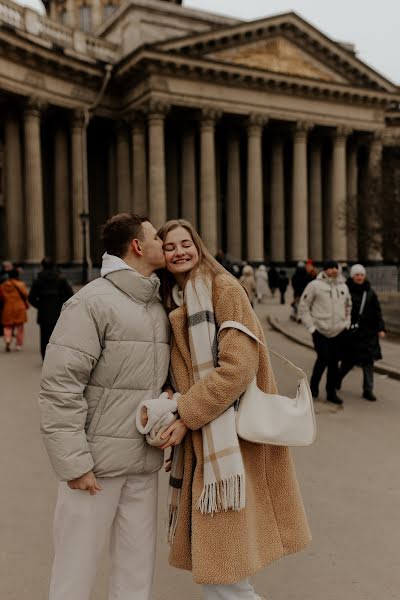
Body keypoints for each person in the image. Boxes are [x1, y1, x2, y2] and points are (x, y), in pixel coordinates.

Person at [157, 219, 311, 599]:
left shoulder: (221, 288)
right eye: (170, 247)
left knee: (223, 571)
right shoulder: (178, 302)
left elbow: (238, 367)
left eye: (185, 243)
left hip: (231, 445)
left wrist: (184, 414)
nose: (179, 252)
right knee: (222, 570)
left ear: (199, 245)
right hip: (209, 443)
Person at [38, 213, 170, 600]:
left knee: (136, 572)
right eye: (156, 238)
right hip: (94, 465)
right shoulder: (91, 303)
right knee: (74, 573)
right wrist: (74, 462)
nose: (163, 244)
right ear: (137, 246)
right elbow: (60, 387)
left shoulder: (156, 306)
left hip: (142, 464)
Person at [298, 260, 352, 406]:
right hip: (320, 330)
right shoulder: (314, 285)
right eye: (331, 268)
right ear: (325, 270)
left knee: (334, 362)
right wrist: (311, 327)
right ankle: (313, 387)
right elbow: (303, 306)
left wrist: (346, 323)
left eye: (336, 268)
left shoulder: (343, 286)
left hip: (339, 331)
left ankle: (331, 392)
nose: (334, 270)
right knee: (323, 358)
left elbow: (349, 305)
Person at [337, 264, 385, 401]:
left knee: (368, 363)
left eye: (361, 275)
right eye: (357, 275)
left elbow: (377, 311)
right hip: (352, 333)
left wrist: (381, 328)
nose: (359, 277)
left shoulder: (370, 292)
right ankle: (337, 379)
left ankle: (368, 390)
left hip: (369, 333)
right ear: (352, 276)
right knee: (348, 361)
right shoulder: (345, 290)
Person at [28, 257, 74, 360]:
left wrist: (40, 305)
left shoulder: (38, 280)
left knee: (44, 337)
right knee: (58, 336)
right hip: (58, 312)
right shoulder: (61, 279)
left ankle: (45, 357)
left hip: (44, 313)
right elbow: (70, 295)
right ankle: (56, 358)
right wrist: (62, 305)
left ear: (42, 266)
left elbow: (31, 298)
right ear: (54, 266)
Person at [0, 267, 29, 352]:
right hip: (19, 308)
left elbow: (1, 297)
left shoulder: (3, 285)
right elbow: (26, 295)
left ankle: (8, 340)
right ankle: (18, 345)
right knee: (20, 327)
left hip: (8, 307)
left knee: (7, 326)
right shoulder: (21, 284)